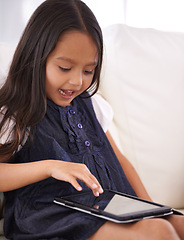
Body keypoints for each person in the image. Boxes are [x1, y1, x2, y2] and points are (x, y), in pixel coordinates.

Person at [0, 0, 183, 239]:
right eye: (65, 68)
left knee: (171, 223)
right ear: (36, 58)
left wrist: (148, 205)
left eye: (88, 71)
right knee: (159, 232)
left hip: (107, 207)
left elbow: (119, 159)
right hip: (50, 215)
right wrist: (49, 167)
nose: (77, 82)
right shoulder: (17, 111)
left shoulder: (91, 103)